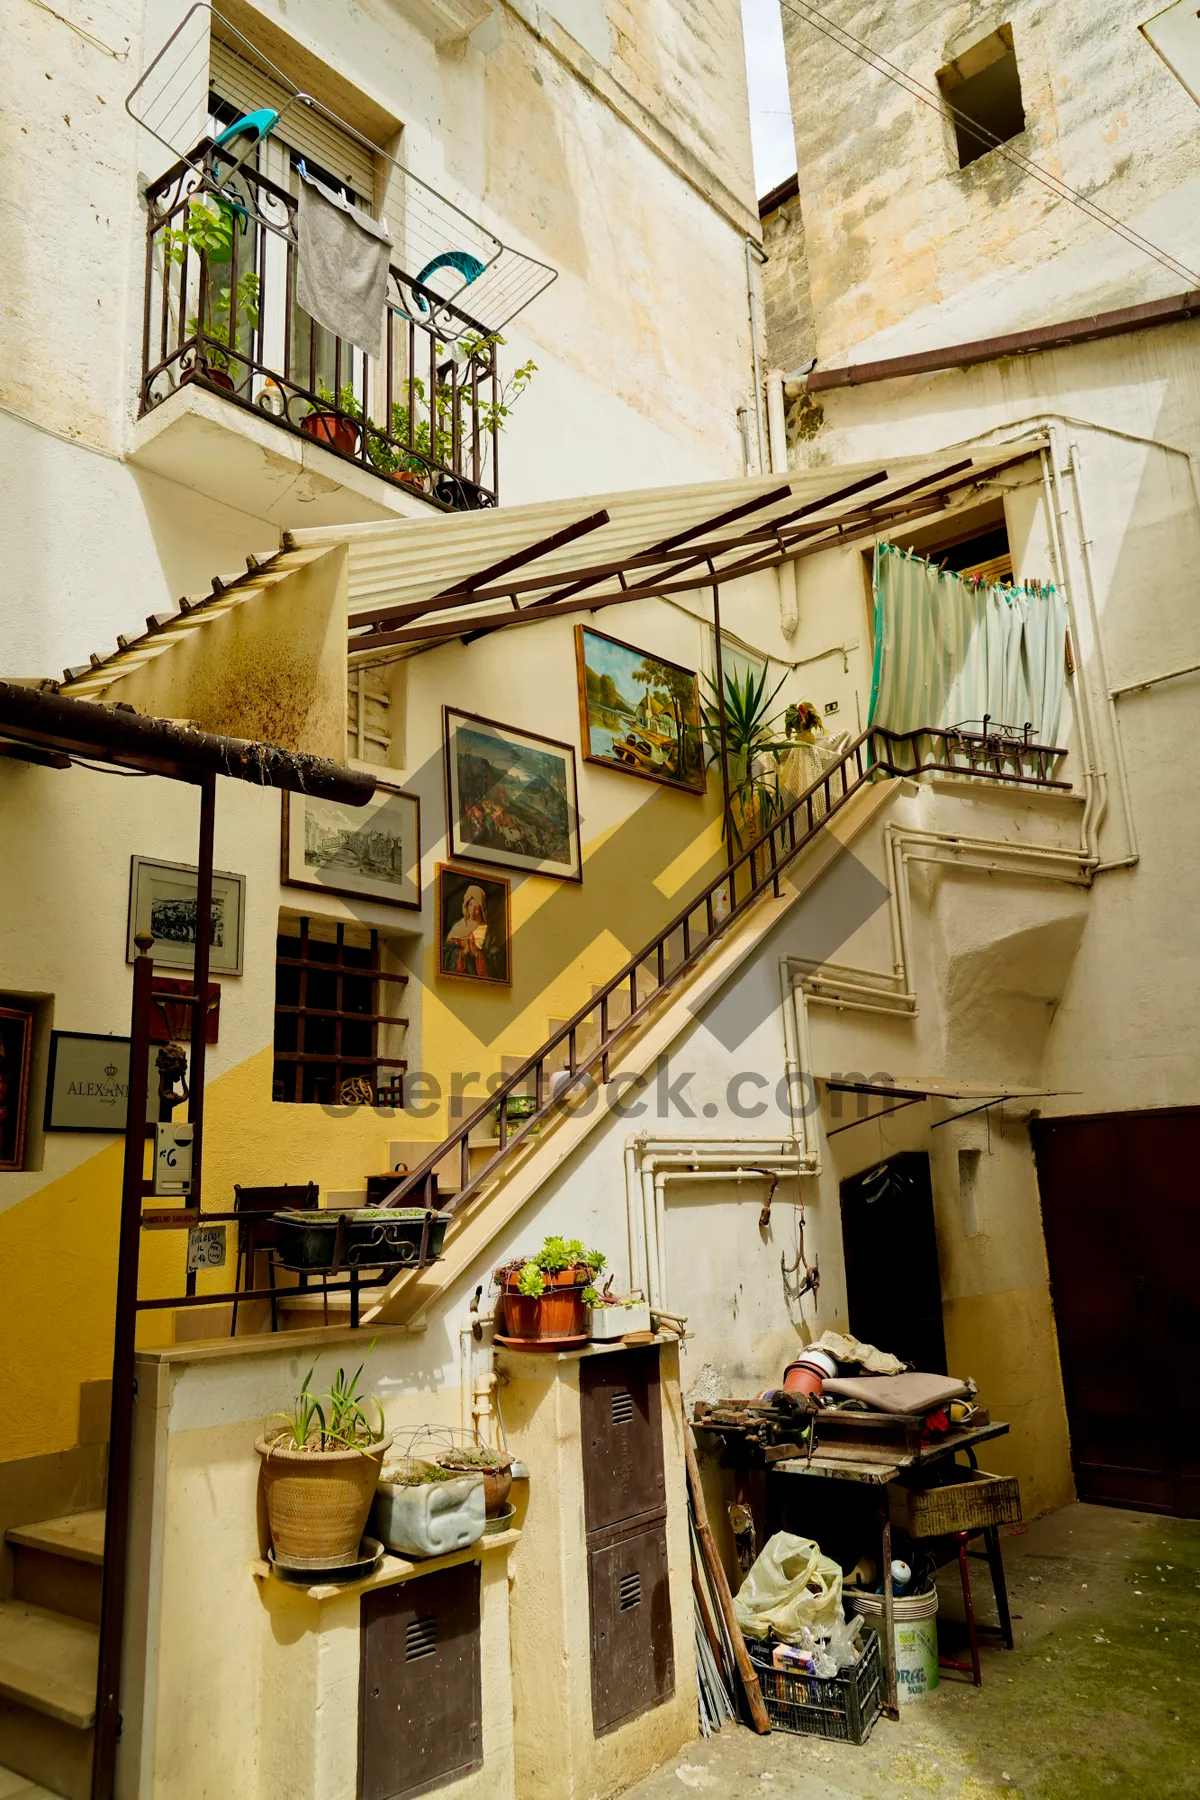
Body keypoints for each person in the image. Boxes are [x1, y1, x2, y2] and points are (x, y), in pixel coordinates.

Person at [444, 883, 491, 977]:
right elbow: (446, 954)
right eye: (470, 905)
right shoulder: (458, 926)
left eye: (477, 908)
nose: (472, 912)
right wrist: (464, 951)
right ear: (466, 904)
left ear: (481, 910)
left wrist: (477, 953)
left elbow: (494, 961)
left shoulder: (488, 931)